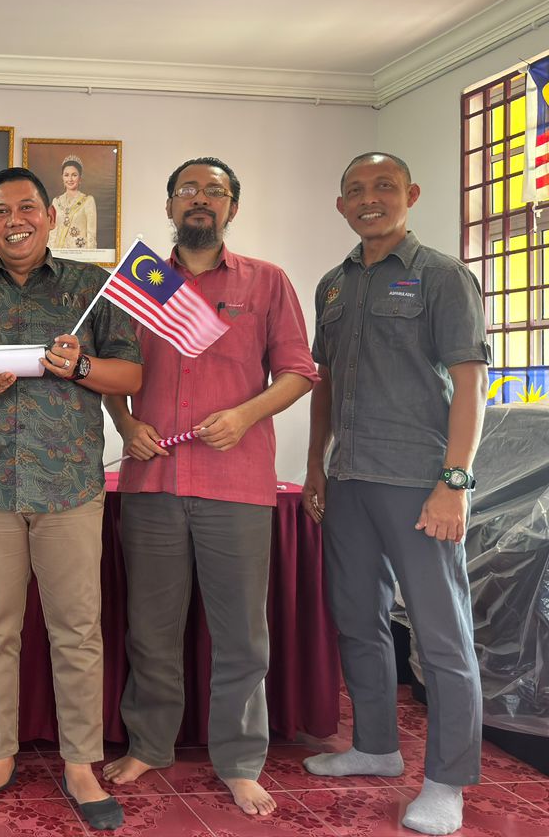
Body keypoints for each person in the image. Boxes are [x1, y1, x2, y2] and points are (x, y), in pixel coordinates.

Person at [101, 157, 317, 817]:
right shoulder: (140, 281)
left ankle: (240, 761)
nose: (201, 199)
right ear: (169, 205)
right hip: (153, 481)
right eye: (188, 190)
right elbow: (112, 373)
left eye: (215, 191)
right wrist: (125, 423)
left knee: (242, 637)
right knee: (151, 631)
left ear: (232, 208)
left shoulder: (267, 281)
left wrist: (247, 415)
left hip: (237, 483)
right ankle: (150, 745)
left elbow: (299, 372)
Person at [0, 167, 142, 831]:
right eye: (0, 211)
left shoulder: (93, 287)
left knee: (76, 631)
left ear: (50, 216)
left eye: (26, 208)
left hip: (70, 486)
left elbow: (131, 373)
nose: (14, 220)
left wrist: (81, 366)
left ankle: (81, 764)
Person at [302, 152, 488, 837]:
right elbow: (323, 384)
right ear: (341, 205)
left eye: (383, 186)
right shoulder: (332, 285)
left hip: (419, 482)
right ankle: (376, 747)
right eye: (355, 190)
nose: (369, 199)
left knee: (442, 638)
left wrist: (454, 482)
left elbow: (470, 383)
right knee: (358, 618)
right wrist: (315, 467)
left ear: (410, 194)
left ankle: (447, 782)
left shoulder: (442, 275)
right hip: (348, 479)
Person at [49, 155, 97, 249]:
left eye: (74, 175)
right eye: (66, 175)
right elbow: (53, 232)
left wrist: (90, 255)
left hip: (80, 253)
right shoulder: (56, 201)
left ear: (80, 178)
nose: (70, 179)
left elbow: (91, 234)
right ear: (62, 177)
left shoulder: (88, 201)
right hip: (58, 253)